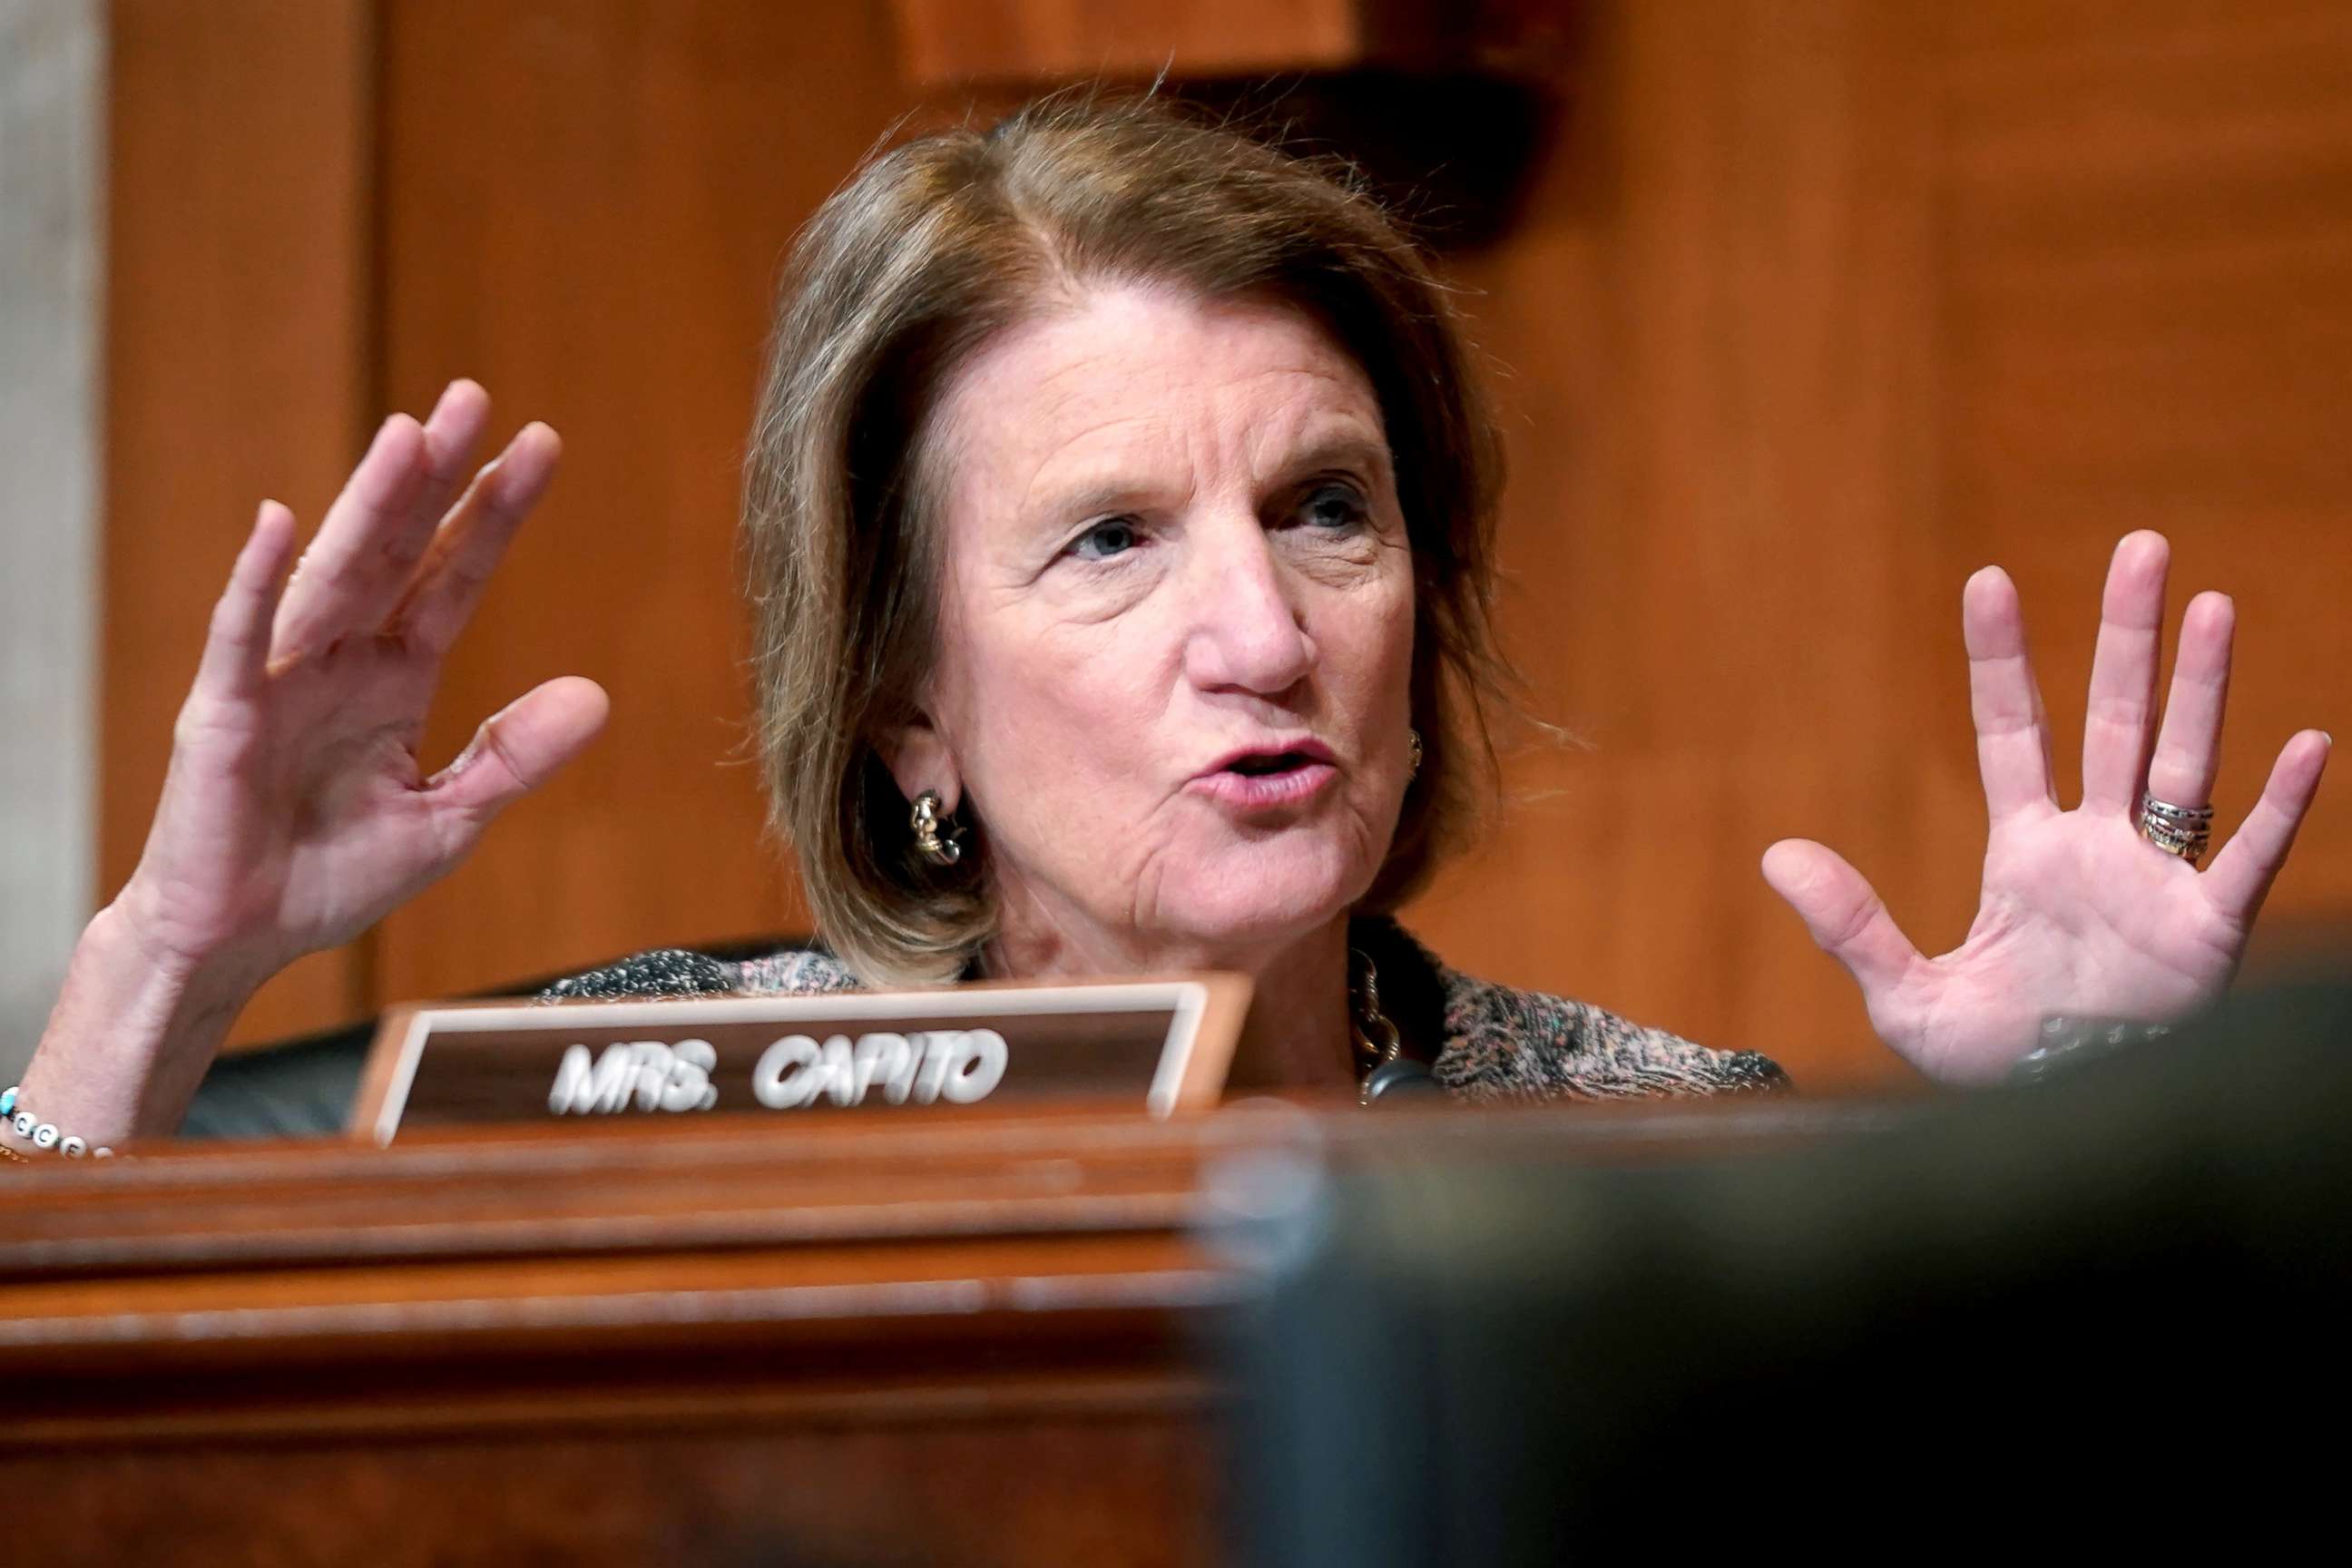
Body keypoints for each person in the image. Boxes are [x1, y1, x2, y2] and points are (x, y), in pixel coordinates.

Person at [2, 96, 2331, 1159]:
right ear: (907, 692)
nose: (1263, 627)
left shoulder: (1653, 1154)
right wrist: (161, 970)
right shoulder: (649, 1118)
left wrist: (2103, 1186)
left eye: (1327, 508)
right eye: (1107, 540)